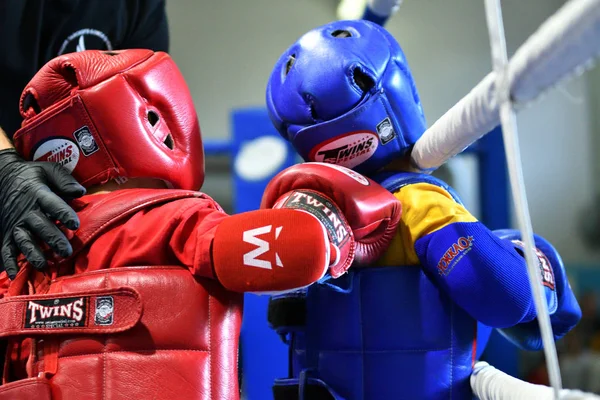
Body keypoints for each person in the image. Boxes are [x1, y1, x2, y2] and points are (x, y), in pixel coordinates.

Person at [0, 49, 401, 399]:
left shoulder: (30, 251)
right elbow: (301, 246)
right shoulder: (179, 222)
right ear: (154, 122)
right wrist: (325, 216)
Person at [264, 20, 582, 399]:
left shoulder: (297, 214)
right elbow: (509, 300)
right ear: (398, 95)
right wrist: (535, 265)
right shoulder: (416, 204)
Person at [0, 0, 169, 277]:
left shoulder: (137, 7)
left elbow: (139, 118)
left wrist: (128, 227)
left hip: (61, 216)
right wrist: (4, 170)